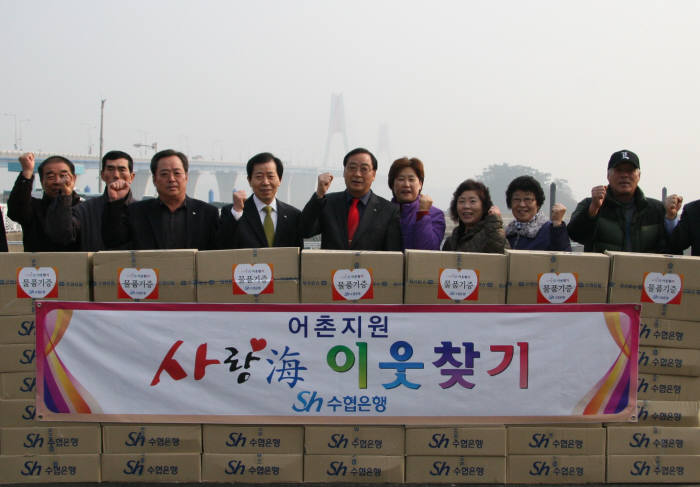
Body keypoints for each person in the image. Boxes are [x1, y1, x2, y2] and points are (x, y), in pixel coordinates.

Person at [103, 149, 219, 250]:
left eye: (177, 173)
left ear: (186, 177)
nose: (171, 179)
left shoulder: (207, 214)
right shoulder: (137, 212)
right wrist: (116, 202)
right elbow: (114, 243)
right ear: (154, 179)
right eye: (164, 174)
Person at [568, 150, 680, 253]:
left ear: (639, 176)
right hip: (604, 273)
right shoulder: (591, 204)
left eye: (630, 171)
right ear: (608, 176)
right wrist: (593, 210)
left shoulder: (656, 209)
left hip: (644, 273)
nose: (624, 175)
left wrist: (671, 217)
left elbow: (674, 247)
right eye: (619, 170)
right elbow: (575, 234)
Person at [301, 147, 402, 251]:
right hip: (332, 266)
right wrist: (319, 194)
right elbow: (305, 230)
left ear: (373, 175)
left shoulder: (389, 211)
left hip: (371, 267)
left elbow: (392, 254)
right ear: (344, 172)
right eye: (352, 168)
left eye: (364, 169)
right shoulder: (327, 203)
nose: (357, 174)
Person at [47, 150, 136, 251]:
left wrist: (117, 203)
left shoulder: (141, 211)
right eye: (110, 169)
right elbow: (62, 236)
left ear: (131, 177)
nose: (116, 175)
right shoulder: (85, 210)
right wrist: (65, 196)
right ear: (102, 175)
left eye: (122, 169)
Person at [216, 152, 302, 248]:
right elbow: (221, 246)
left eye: (270, 176)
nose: (265, 182)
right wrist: (237, 213)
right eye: (259, 177)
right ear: (249, 180)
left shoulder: (293, 215)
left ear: (280, 180)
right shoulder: (234, 212)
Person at [8, 152, 81, 251]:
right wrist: (27, 173)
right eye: (51, 177)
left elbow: (63, 234)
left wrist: (65, 196)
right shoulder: (34, 208)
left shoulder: (84, 209)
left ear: (74, 178)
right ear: (42, 181)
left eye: (63, 176)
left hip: (75, 265)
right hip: (37, 265)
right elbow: (15, 211)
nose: (57, 181)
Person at [388, 157, 445, 250]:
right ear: (392, 184)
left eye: (411, 179)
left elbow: (428, 251)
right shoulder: (383, 212)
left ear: (420, 184)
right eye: (401, 179)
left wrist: (423, 213)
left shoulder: (435, 215)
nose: (406, 184)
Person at [504, 175, 571, 251]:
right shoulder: (506, 232)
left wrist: (557, 224)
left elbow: (564, 257)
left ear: (538, 204)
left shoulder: (551, 230)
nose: (522, 204)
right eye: (516, 199)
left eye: (527, 199)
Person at [442, 179, 507, 253]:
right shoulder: (451, 241)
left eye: (472, 201)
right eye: (461, 201)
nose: (466, 206)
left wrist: (494, 221)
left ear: (484, 206)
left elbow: (500, 252)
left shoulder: (492, 234)